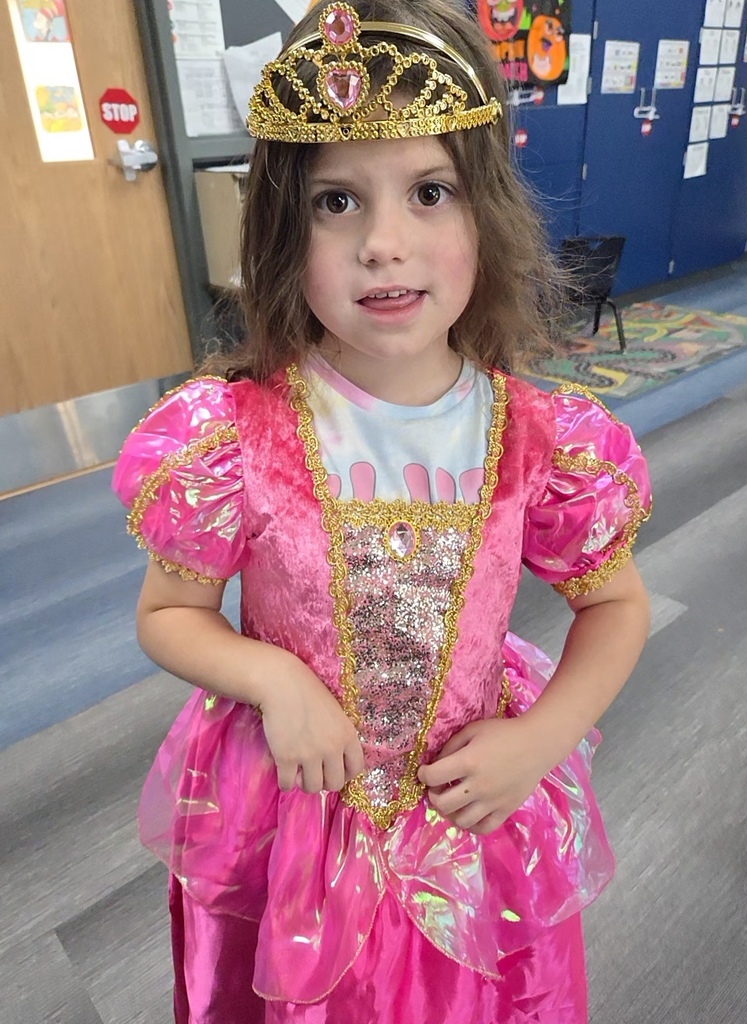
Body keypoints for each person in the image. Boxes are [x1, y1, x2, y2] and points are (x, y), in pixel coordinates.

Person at [113, 2, 653, 1021]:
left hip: (473, 816)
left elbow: (616, 605)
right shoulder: (234, 440)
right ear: (284, 228)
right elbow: (167, 613)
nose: (384, 244)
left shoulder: (542, 442)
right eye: (335, 204)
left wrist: (543, 738)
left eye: (430, 191)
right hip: (291, 829)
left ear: (485, 212)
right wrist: (270, 677)